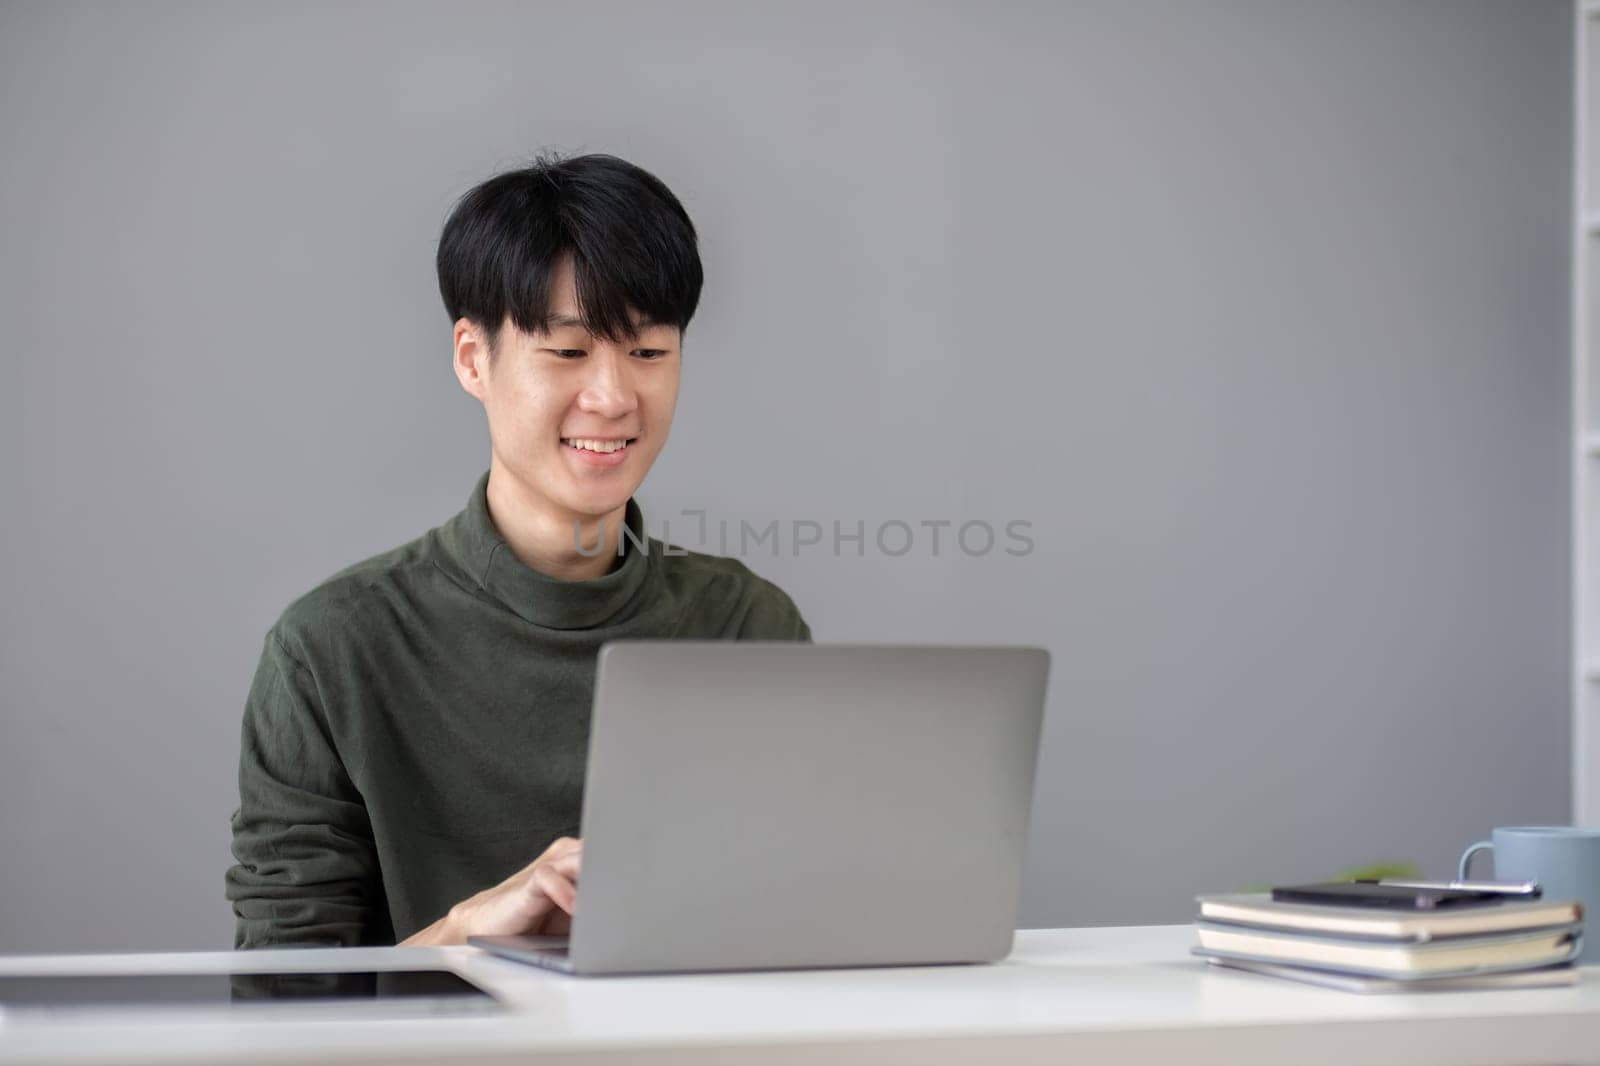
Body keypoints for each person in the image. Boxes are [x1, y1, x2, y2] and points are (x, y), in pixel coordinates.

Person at [225, 153, 811, 948]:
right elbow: (285, 1008)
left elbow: (793, 935)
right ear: (473, 358)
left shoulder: (748, 625)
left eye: (648, 352)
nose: (612, 397)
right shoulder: (331, 649)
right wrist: (468, 933)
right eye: (568, 353)